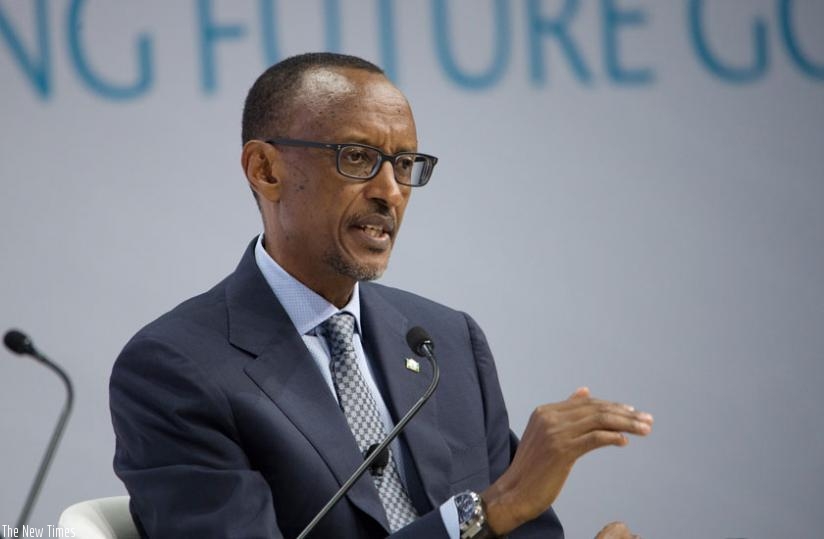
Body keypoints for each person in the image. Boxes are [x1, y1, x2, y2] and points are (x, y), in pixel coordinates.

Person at [110, 52, 653, 539]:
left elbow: (521, 530)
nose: (390, 191)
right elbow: (500, 512)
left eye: (404, 164)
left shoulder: (446, 342)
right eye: (357, 157)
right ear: (266, 169)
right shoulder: (177, 369)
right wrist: (486, 513)